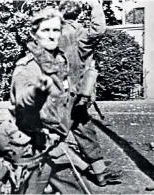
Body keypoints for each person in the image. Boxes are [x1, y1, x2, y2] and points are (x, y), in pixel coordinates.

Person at [0, 7, 93, 194]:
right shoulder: (27, 68)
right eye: (45, 30)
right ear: (34, 34)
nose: (52, 36)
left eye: (55, 30)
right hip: (33, 147)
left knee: (78, 189)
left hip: (56, 145)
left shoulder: (59, 61)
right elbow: (25, 106)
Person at [58, 0, 123, 187]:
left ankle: (100, 173)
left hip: (61, 92)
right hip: (76, 93)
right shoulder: (79, 32)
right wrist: (95, 5)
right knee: (55, 138)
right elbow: (99, 29)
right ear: (78, 15)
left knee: (84, 131)